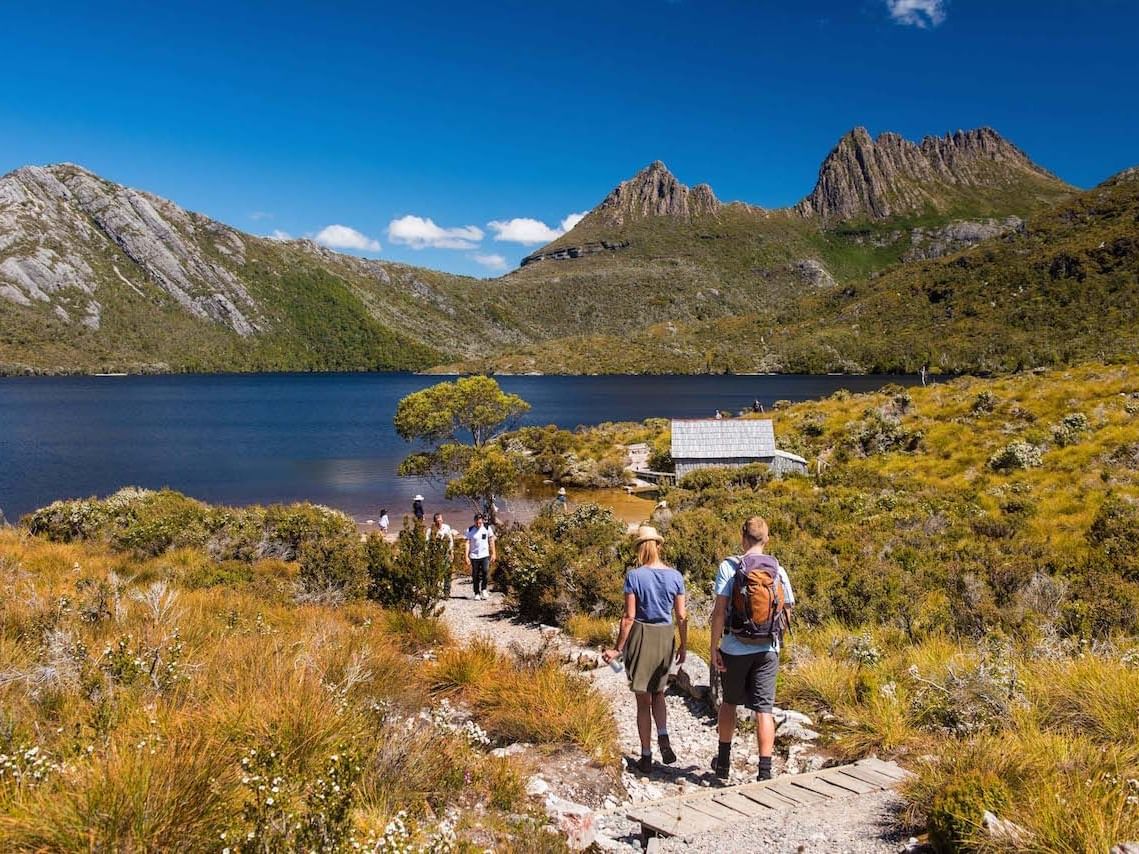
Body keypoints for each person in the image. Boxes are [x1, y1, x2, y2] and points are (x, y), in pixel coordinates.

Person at [709, 516, 794, 783]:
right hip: (768, 648)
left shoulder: (729, 566)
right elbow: (787, 609)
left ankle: (723, 764)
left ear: (743, 537)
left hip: (734, 648)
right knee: (764, 709)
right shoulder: (777, 569)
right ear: (766, 539)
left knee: (729, 703)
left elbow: (719, 612)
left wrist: (714, 648)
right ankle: (764, 772)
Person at [603, 525, 687, 775]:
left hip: (641, 635)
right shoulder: (675, 576)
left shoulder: (634, 576)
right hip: (665, 635)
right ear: (658, 546)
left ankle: (647, 755)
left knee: (643, 701)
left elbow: (629, 617)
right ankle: (663, 734)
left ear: (639, 549)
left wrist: (617, 649)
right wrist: (684, 644)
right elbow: (681, 616)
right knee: (658, 692)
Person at [464, 512, 496, 600]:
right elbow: (467, 543)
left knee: (485, 571)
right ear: (474, 521)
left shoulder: (487, 528)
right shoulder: (470, 530)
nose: (478, 524)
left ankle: (484, 589)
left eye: (480, 522)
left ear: (482, 521)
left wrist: (493, 553)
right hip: (474, 556)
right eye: (477, 522)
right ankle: (476, 593)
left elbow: (491, 541)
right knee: (475, 575)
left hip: (485, 555)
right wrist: (466, 556)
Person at [429, 512, 456, 596]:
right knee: (435, 573)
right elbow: (427, 543)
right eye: (437, 521)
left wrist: (451, 552)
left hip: (446, 553)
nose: (439, 522)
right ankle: (434, 591)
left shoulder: (446, 528)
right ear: (434, 521)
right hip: (435, 555)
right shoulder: (430, 530)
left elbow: (450, 540)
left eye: (440, 520)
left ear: (442, 520)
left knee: (447, 573)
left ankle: (446, 592)